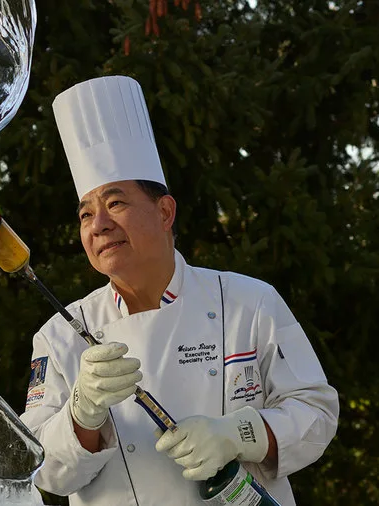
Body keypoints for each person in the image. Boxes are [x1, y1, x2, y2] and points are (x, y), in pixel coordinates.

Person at [18, 75, 340, 506]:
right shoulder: (60, 336)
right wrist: (81, 414)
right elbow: (41, 472)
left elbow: (317, 414)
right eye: (85, 214)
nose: (99, 225)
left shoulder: (249, 303)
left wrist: (238, 434)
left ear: (165, 211)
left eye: (116, 203)